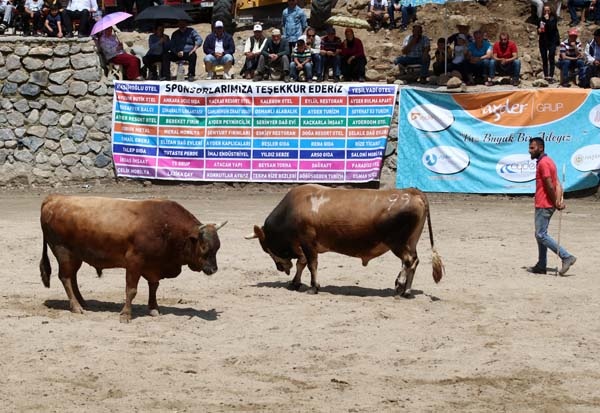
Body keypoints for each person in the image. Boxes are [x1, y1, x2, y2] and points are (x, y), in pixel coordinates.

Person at [527, 137, 577, 276]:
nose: (529, 150)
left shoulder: (543, 163)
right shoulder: (549, 162)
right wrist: (559, 200)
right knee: (540, 235)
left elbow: (550, 185)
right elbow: (557, 184)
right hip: (547, 203)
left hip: (544, 203)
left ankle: (566, 257)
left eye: (532, 148)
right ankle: (541, 265)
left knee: (541, 235)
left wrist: (555, 201)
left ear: (541, 148)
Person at [538, 4, 560, 83]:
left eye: (548, 10)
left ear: (550, 11)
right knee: (544, 59)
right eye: (545, 10)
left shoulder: (553, 19)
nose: (546, 12)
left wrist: (547, 20)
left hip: (552, 41)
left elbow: (552, 28)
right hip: (543, 41)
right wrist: (538, 30)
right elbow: (539, 28)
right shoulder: (541, 19)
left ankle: (551, 76)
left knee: (551, 57)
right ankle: (546, 75)